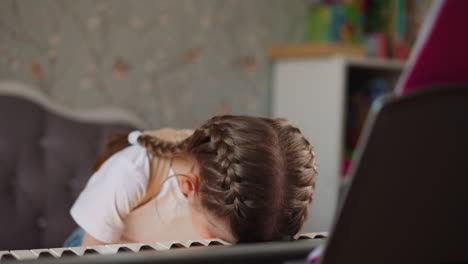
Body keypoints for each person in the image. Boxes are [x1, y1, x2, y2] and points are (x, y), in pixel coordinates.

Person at [65, 115, 318, 246]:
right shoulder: (131, 172)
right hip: (97, 249)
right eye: (218, 240)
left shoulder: (267, 198)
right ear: (188, 186)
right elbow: (89, 257)